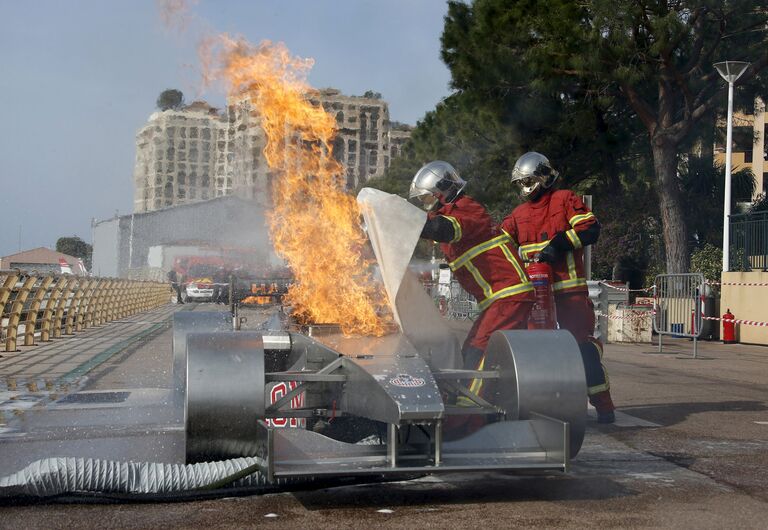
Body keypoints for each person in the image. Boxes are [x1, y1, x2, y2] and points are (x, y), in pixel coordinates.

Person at [501, 151, 616, 423]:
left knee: (583, 351)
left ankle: (604, 407)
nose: (524, 189)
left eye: (526, 182)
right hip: (536, 297)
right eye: (519, 184)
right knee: (533, 353)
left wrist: (559, 244)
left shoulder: (565, 199)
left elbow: (591, 229)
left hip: (569, 294)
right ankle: (539, 407)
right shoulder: (517, 215)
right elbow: (499, 246)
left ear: (541, 177)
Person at [410, 161, 534, 401]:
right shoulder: (449, 214)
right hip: (497, 300)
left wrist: (405, 218)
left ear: (442, 192)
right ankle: (477, 401)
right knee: (470, 350)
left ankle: (470, 412)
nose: (426, 206)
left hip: (508, 294)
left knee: (480, 352)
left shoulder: (467, 209)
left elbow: (443, 229)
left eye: (426, 199)